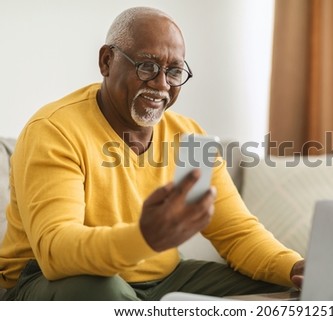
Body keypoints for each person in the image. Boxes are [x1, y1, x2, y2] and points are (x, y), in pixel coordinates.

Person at [0, 6, 304, 300]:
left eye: (174, 71)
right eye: (147, 66)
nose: (161, 85)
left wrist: (295, 268)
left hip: (164, 279)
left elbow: (237, 233)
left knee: (277, 289)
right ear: (106, 61)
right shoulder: (55, 130)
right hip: (46, 280)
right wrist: (143, 237)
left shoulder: (190, 138)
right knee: (98, 291)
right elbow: (57, 252)